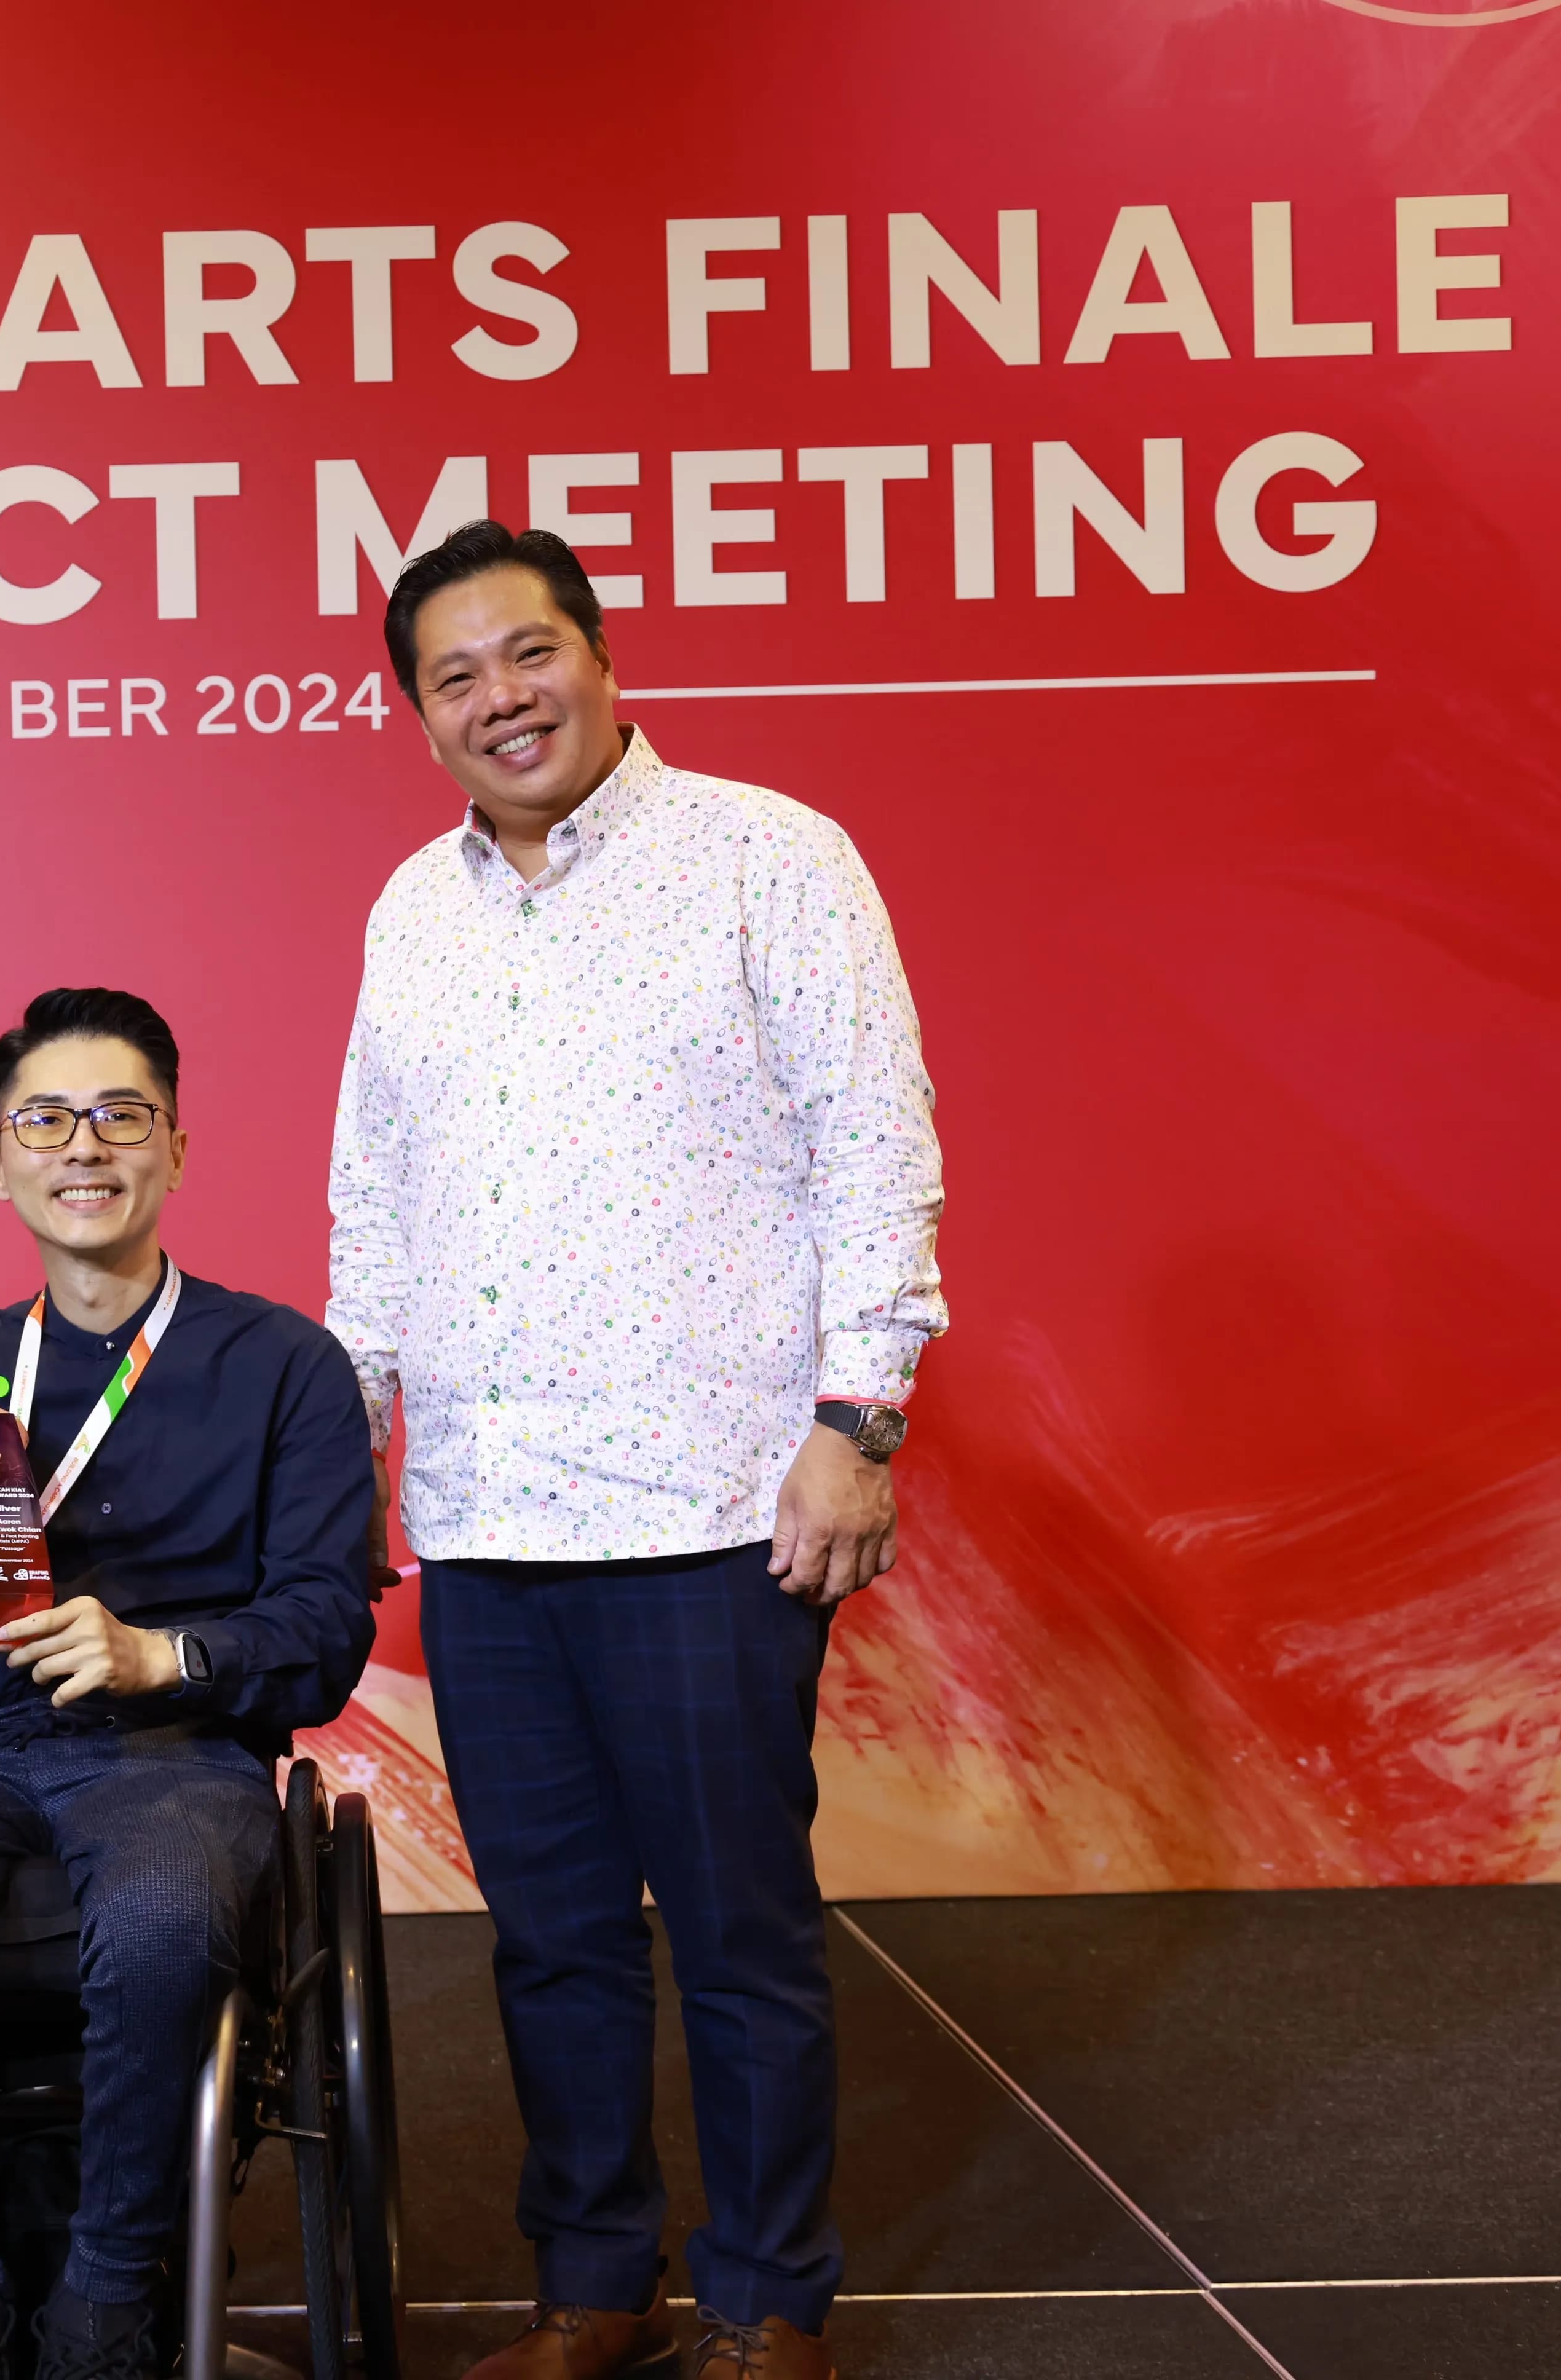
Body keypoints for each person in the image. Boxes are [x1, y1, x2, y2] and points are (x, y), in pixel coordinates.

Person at [323, 524, 949, 2380]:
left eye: (529, 655)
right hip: (489, 1521)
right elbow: (379, 1197)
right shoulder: (408, 910)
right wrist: (348, 1443)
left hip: (712, 1509)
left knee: (741, 1933)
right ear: (419, 715)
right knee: (553, 1941)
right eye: (455, 677)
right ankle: (594, 2293)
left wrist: (859, 1420)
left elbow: (875, 1147)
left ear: (600, 657)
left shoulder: (772, 858)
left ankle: (766, 2306)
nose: (500, 699)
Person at [0, 986, 384, 2380]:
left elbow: (325, 1624)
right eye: (44, 1119)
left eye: (121, 1115)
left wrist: (159, 1656)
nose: (84, 1146)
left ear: (177, 1147)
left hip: (176, 1754)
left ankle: (113, 2296)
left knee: (176, 1914)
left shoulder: (286, 1365)